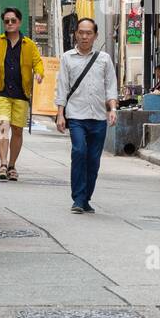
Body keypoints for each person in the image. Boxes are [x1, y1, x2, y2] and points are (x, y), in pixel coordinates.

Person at [54, 17, 119, 214]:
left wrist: (113, 109)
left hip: (99, 117)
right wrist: (60, 114)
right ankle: (78, 199)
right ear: (76, 34)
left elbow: (111, 86)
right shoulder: (67, 58)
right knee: (79, 152)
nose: (84, 36)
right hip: (76, 116)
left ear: (95, 36)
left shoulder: (104, 59)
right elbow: (62, 86)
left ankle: (86, 198)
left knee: (93, 160)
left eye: (88, 33)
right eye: (81, 32)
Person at [0, 7, 44, 181]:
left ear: (19, 22)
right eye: (7, 21)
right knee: (3, 126)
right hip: (1, 92)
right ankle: (3, 164)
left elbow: (37, 62)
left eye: (13, 20)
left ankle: (12, 165)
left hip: (21, 93)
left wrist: (39, 73)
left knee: (17, 131)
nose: (10, 23)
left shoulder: (29, 45)